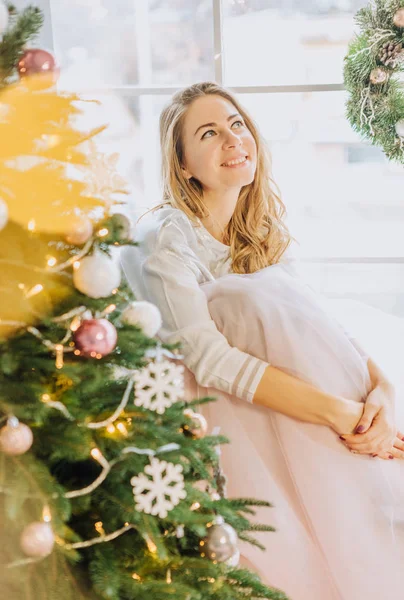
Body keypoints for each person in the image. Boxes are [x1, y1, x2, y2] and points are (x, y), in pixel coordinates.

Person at [121, 82, 404, 600]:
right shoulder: (166, 238)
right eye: (209, 133)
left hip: (284, 403)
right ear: (183, 165)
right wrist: (340, 414)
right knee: (243, 300)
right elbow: (206, 359)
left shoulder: (257, 229)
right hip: (194, 417)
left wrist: (382, 390)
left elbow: (317, 324)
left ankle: (371, 461)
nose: (233, 140)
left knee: (269, 295)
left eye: (237, 125)